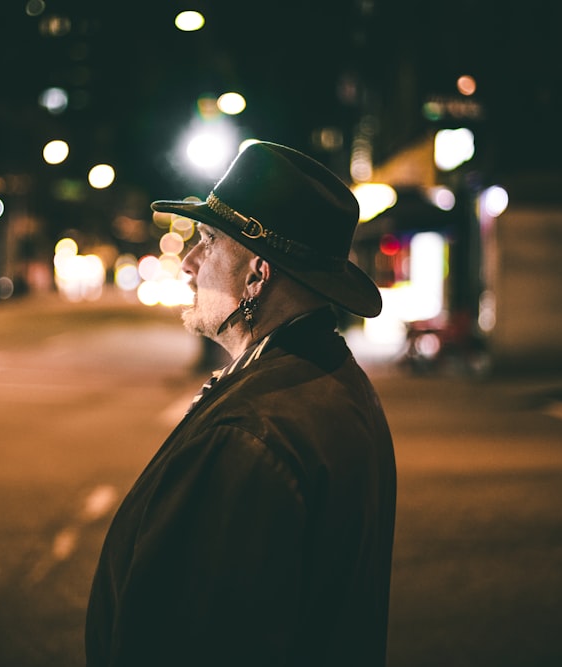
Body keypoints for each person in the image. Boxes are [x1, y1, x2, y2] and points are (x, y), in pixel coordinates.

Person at [86, 141, 397, 666]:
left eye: (208, 240)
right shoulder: (332, 378)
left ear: (256, 274)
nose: (188, 263)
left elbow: (198, 638)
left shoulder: (249, 434)